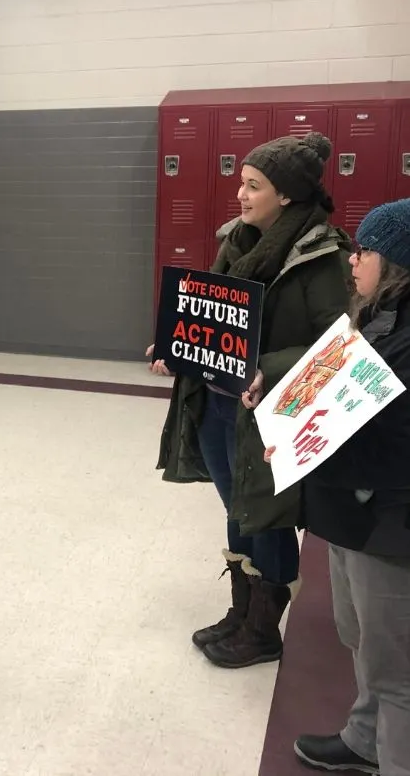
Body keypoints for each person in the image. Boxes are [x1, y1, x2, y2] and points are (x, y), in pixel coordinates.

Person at [148, 132, 351, 669]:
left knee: (268, 515)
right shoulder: (236, 241)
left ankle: (264, 628)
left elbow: (340, 346)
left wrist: (270, 368)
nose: (240, 194)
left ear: (286, 195)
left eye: (253, 186)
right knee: (236, 508)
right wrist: (175, 344)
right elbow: (213, 312)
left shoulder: (321, 257)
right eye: (241, 183)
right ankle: (243, 609)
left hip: (270, 412)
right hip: (217, 402)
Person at [265, 198, 410, 776]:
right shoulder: (376, 318)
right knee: (362, 641)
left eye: (367, 250)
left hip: (392, 520)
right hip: (352, 509)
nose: (354, 259)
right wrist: (283, 408)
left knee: (397, 669)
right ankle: (366, 739)